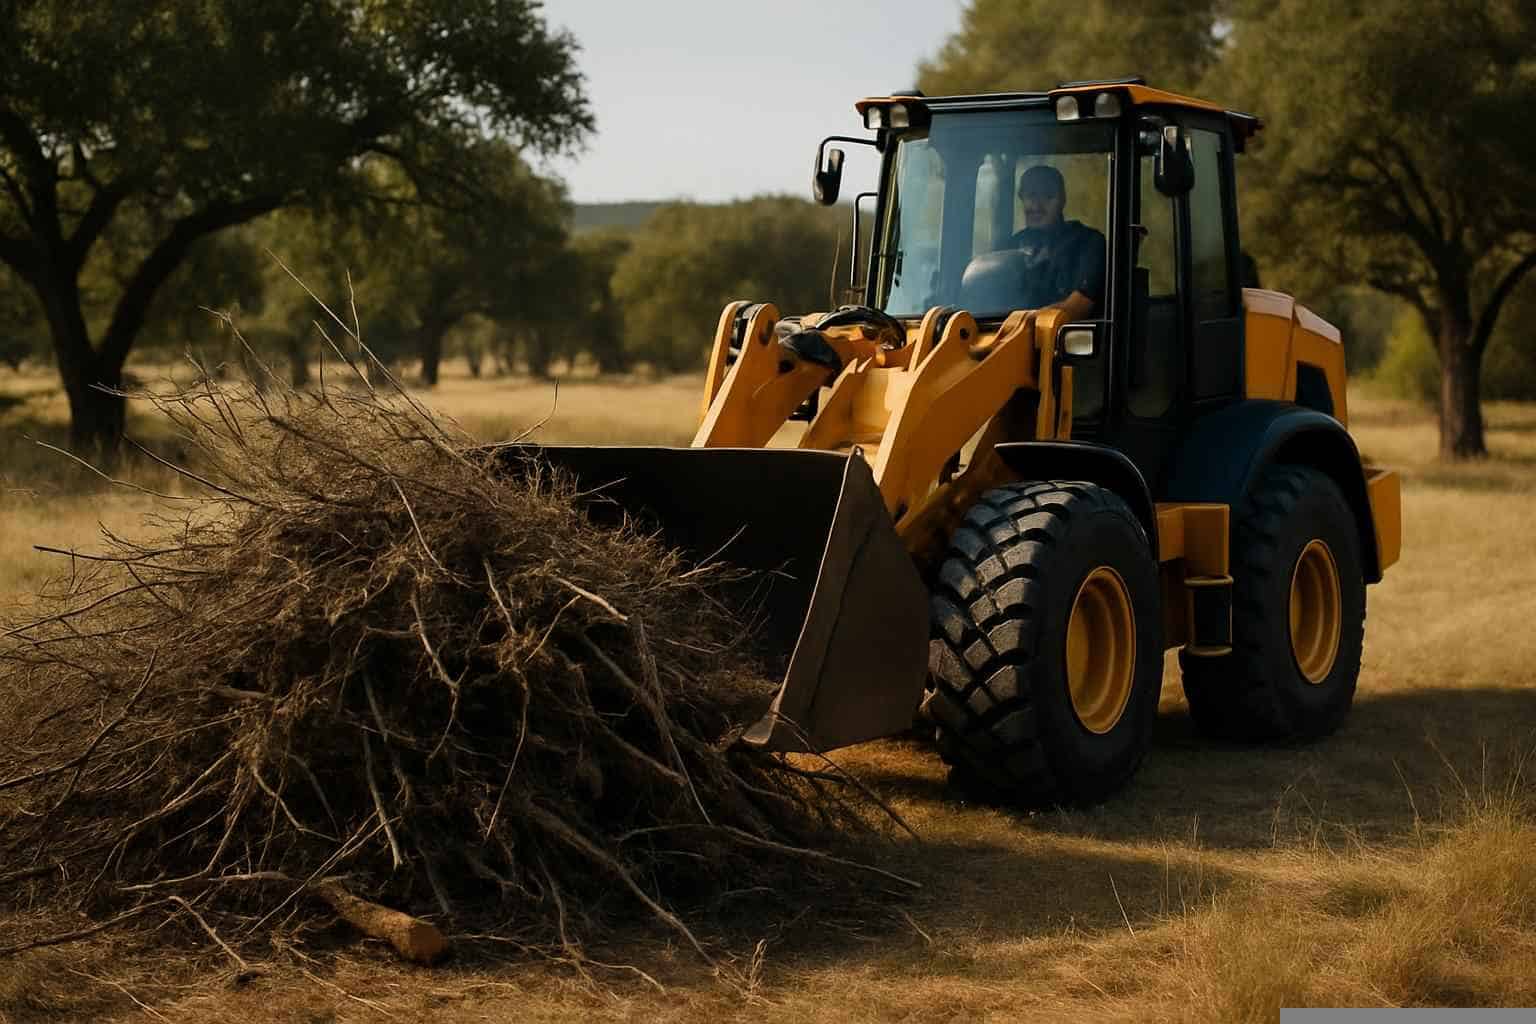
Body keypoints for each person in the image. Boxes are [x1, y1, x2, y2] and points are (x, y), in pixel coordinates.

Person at [1008, 164, 1106, 320]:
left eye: (1048, 196)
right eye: (1031, 196)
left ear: (1062, 200)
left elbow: (1078, 306)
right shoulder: (1009, 248)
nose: (1037, 206)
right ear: (1021, 198)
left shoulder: (1089, 243)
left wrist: (1024, 322)